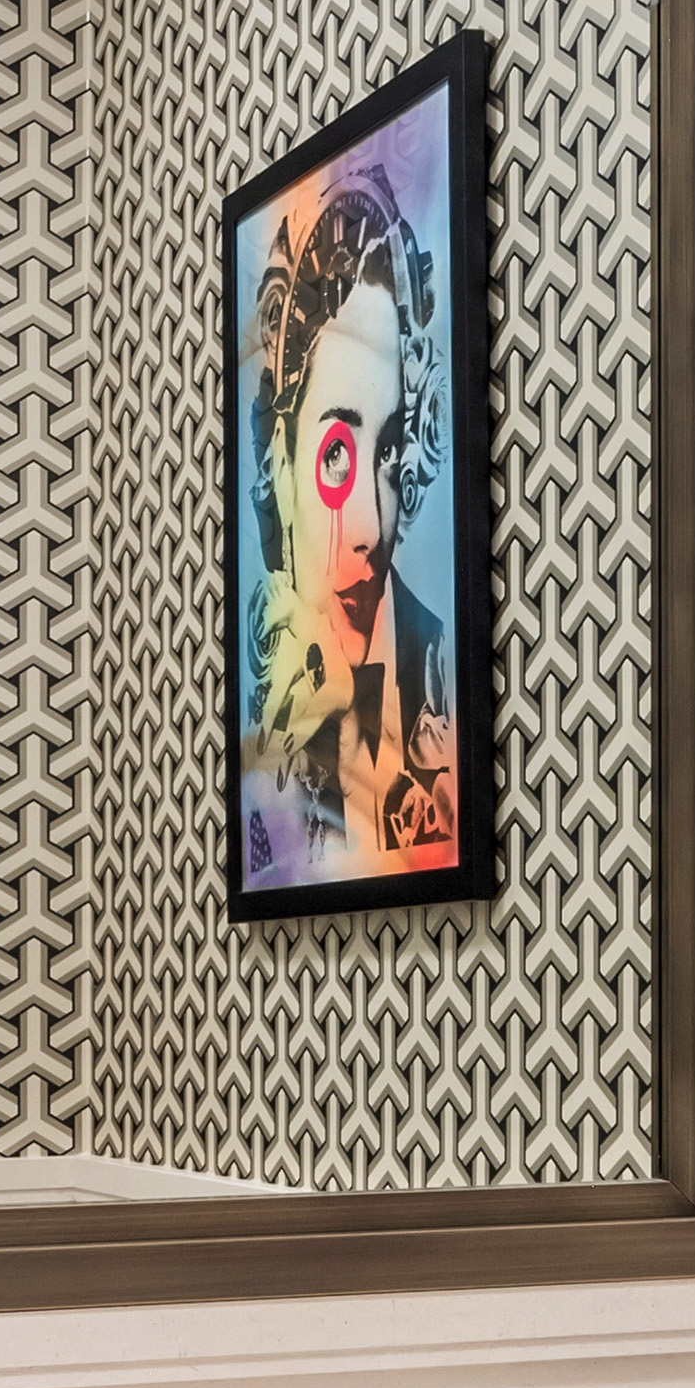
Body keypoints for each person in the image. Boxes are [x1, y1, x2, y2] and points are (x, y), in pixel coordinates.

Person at [243, 149, 462, 878]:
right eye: (335, 451)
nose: (369, 527)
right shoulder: (268, 709)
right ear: (279, 463)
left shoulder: (434, 671)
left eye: (390, 450)